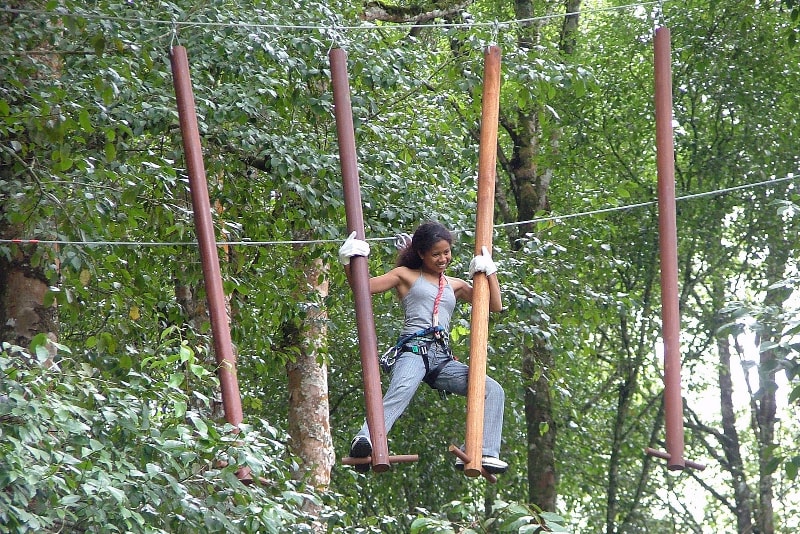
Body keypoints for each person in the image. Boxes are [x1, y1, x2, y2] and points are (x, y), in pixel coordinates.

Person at [338, 220, 507, 474]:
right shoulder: (405, 275)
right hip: (414, 349)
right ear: (421, 254)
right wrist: (348, 262)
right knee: (401, 389)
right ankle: (365, 440)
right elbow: (363, 287)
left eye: (446, 253)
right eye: (436, 254)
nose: (442, 259)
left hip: (442, 359)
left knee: (492, 389)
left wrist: (488, 272)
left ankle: (484, 451)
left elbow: (493, 305)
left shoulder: (456, 285)